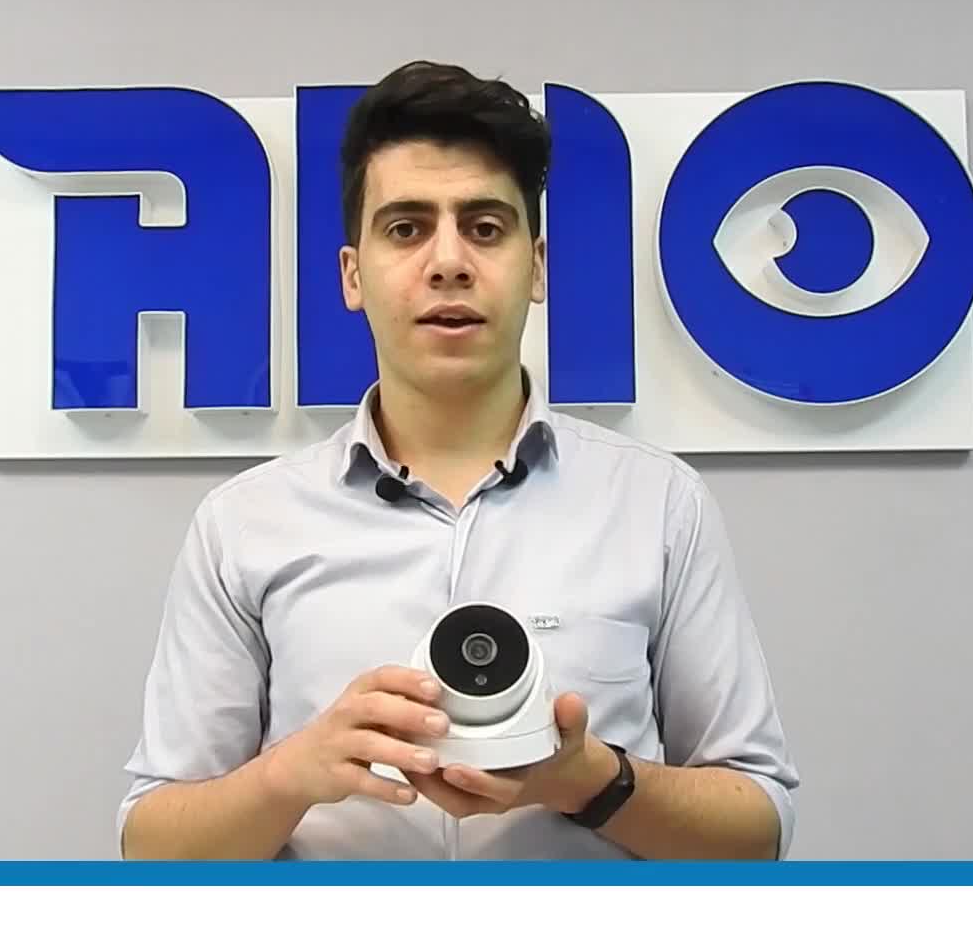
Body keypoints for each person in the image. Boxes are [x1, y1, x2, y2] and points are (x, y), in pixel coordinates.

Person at [116, 60, 799, 860]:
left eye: (485, 227)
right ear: (353, 276)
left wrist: (591, 780)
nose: (448, 262)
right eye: (406, 229)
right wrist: (289, 775)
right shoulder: (243, 524)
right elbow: (150, 846)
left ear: (536, 266)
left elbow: (759, 830)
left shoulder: (659, 505)